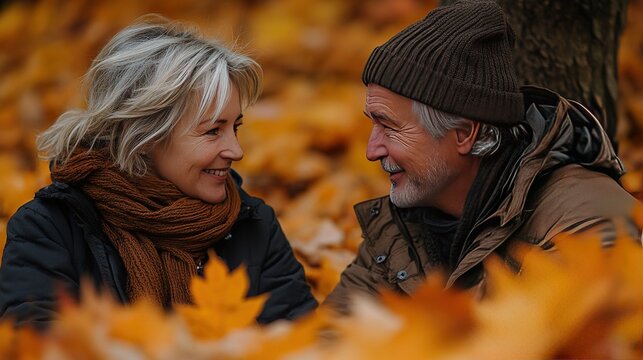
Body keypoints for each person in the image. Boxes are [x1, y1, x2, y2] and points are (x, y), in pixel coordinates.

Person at [324, 0, 642, 313]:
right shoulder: (402, 226)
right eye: (372, 124)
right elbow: (328, 339)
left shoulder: (587, 221)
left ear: (465, 134)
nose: (370, 150)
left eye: (390, 127)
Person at [0, 15, 317, 329]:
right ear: (145, 135)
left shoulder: (253, 225)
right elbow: (38, 346)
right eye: (212, 131)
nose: (236, 151)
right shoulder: (50, 229)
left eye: (235, 127)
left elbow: (304, 343)